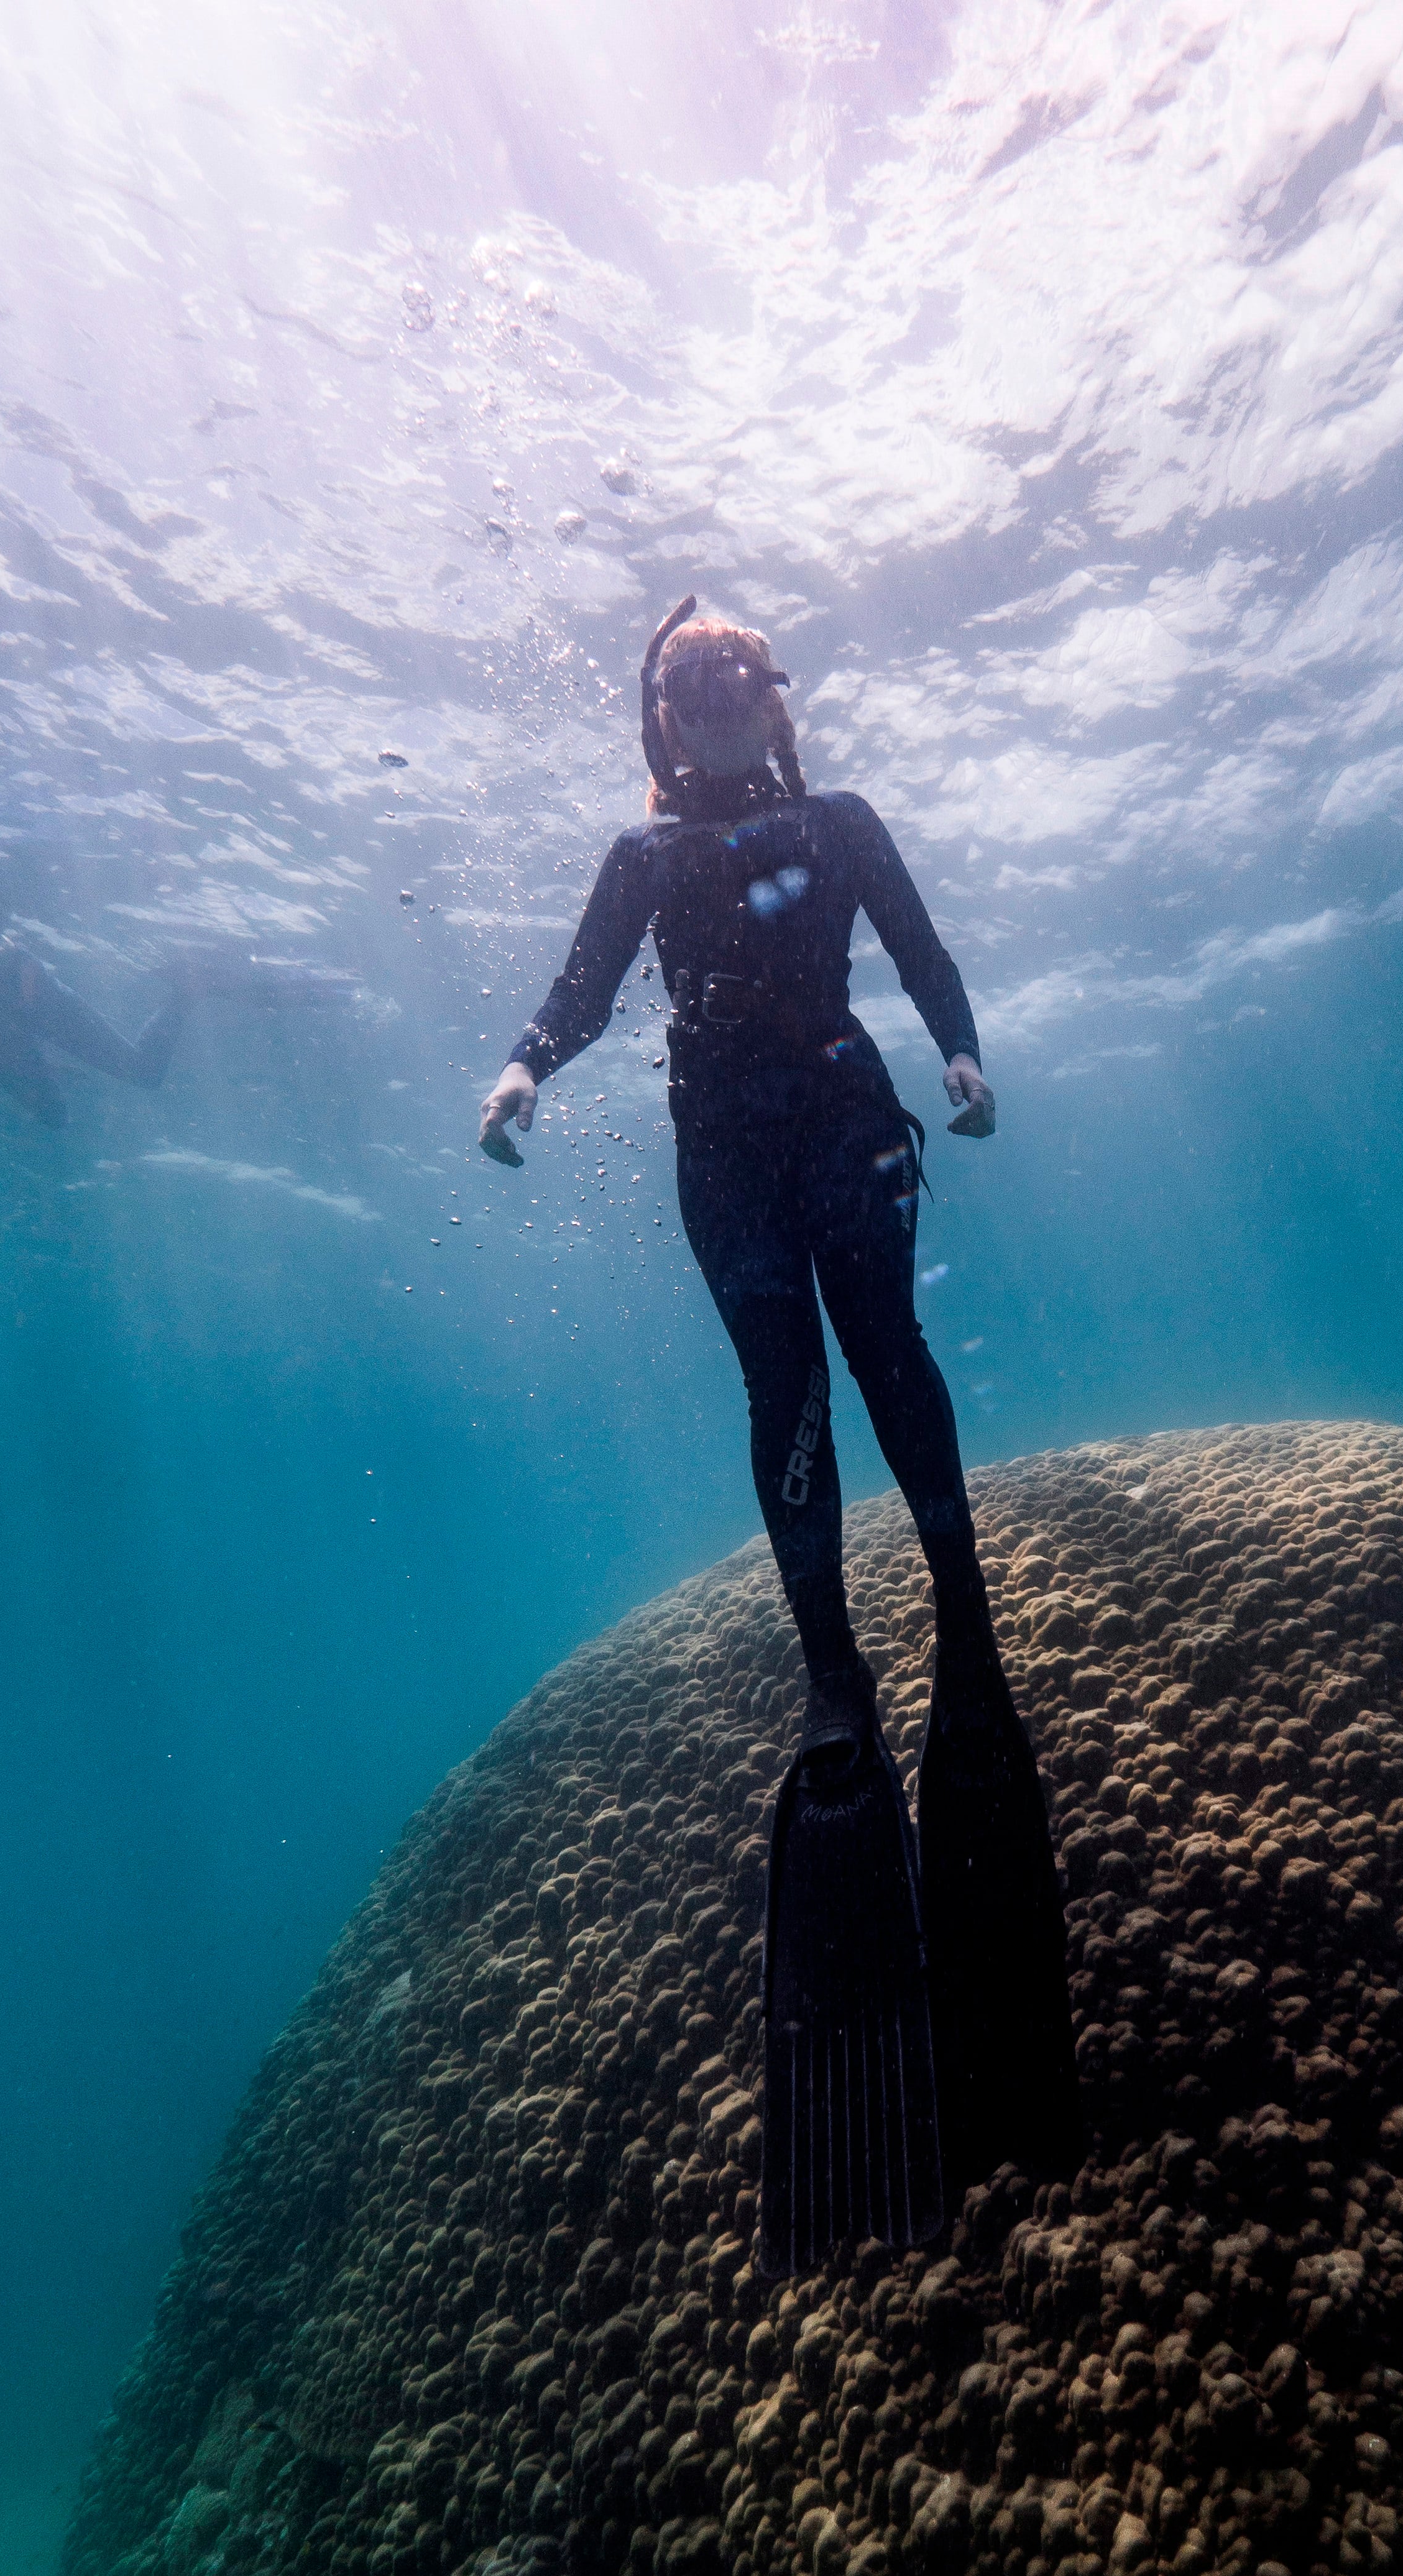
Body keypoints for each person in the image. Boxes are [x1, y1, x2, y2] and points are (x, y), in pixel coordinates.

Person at [483, 595, 1075, 2271]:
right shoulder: (640, 857)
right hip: (721, 1145)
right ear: (661, 715)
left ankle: (958, 1627)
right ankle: (837, 1679)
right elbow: (584, 991)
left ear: (775, 696)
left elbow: (923, 948)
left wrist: (959, 1053)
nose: (720, 698)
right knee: (783, 1394)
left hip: (836, 1110)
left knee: (888, 1352)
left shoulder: (844, 823)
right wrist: (523, 1070)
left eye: (740, 673)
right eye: (690, 683)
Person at [0, 780, 190, 1125]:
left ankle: (187, 989)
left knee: (142, 1072)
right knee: (54, 1116)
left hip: (16, 982)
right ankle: (50, 1063)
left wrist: (16, 965)